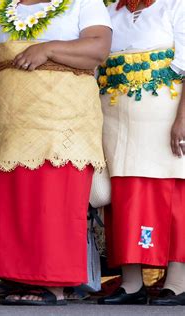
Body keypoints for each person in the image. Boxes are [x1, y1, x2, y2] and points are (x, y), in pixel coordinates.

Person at [0, 0, 112, 306]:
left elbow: (98, 48)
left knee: (56, 200)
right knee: (17, 201)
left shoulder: (84, 4)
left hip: (63, 120)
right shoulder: (2, 10)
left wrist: (47, 49)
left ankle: (55, 282)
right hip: (14, 121)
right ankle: (19, 276)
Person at [97, 0, 185, 306]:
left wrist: (182, 120)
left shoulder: (176, 6)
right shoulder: (108, 12)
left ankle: (177, 282)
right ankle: (132, 283)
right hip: (115, 123)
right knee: (122, 197)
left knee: (172, 198)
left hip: (164, 122)